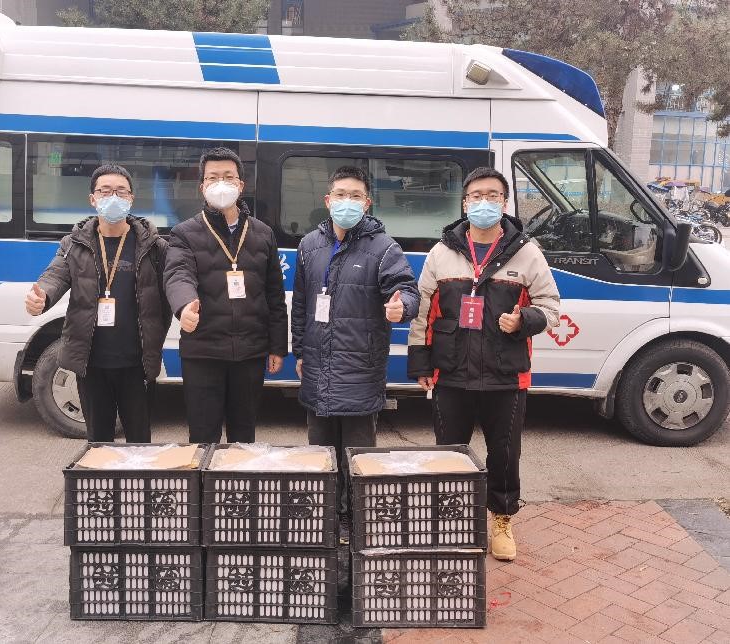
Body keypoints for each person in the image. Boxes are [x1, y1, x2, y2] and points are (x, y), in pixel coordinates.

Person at [407, 167, 560, 561]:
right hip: (450, 372)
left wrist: (524, 321)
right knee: (449, 455)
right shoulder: (442, 253)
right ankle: (448, 520)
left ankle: (502, 520)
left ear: (505, 203)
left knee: (505, 456)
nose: (484, 202)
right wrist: (420, 363)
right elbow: (423, 311)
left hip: (505, 375)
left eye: (493, 195)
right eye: (476, 196)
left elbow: (551, 308)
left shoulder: (527, 253)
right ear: (464, 203)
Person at [292, 166, 420, 516]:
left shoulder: (384, 248)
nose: (346, 201)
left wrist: (402, 308)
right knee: (321, 459)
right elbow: (301, 304)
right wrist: (299, 351)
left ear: (367, 203)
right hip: (317, 370)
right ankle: (325, 519)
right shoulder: (309, 245)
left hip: (360, 373)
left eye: (355, 196)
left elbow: (406, 290)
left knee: (358, 461)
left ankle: (356, 521)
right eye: (340, 195)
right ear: (327, 200)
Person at [25, 164, 171, 443]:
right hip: (91, 363)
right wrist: (41, 297)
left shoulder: (154, 246)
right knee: (99, 441)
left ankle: (136, 474)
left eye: (120, 191)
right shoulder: (74, 244)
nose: (113, 197)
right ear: (92, 199)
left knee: (140, 442)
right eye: (105, 191)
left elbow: (175, 282)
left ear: (131, 198)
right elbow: (54, 276)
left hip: (138, 363)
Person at [164, 147, 288, 443]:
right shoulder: (184, 233)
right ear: (202, 187)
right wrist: (184, 306)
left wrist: (277, 346)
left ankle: (239, 476)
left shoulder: (263, 233)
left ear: (241, 185)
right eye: (213, 177)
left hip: (250, 352)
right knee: (203, 435)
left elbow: (274, 293)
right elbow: (178, 273)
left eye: (228, 176)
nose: (221, 183)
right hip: (203, 351)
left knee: (243, 436)